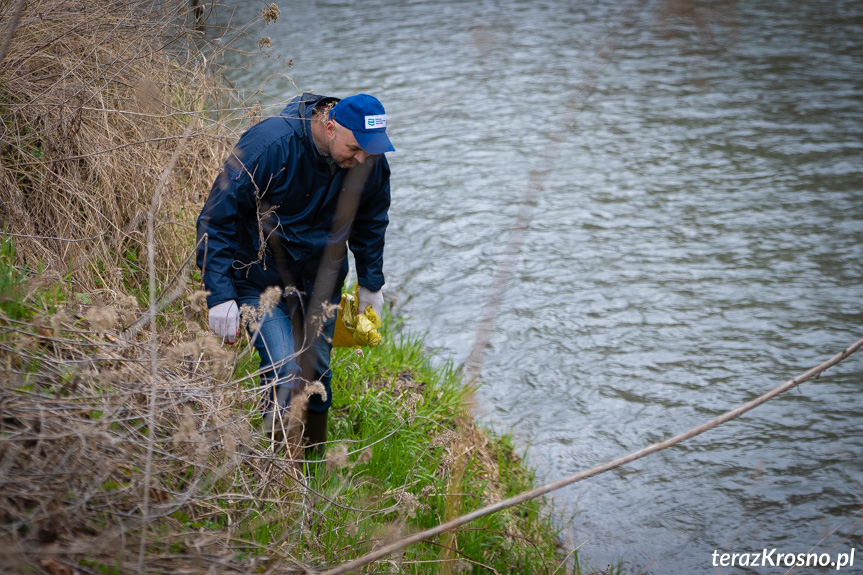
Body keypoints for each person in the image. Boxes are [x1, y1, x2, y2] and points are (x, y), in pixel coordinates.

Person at [196, 92, 393, 452]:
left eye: (371, 151)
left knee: (316, 379)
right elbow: (216, 219)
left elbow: (371, 222)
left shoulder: (368, 160)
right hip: (259, 282)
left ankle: (313, 466)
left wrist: (371, 285)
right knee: (286, 375)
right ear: (330, 126)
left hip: (322, 284)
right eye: (355, 147)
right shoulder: (270, 144)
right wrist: (219, 295)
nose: (362, 158)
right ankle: (279, 472)